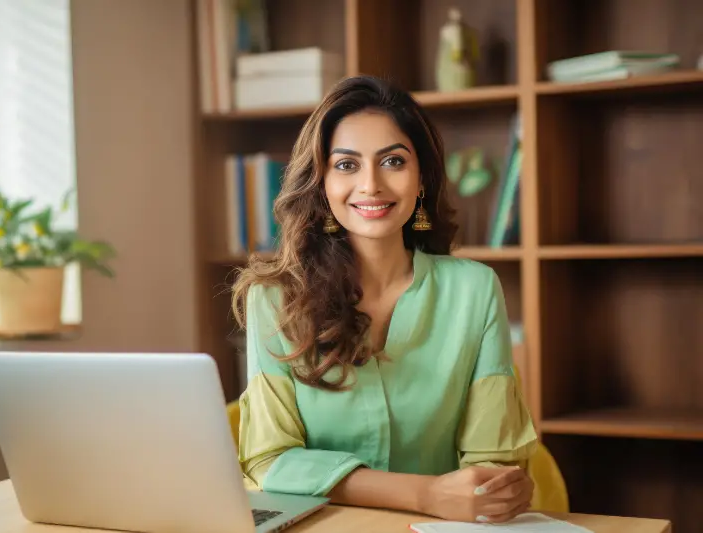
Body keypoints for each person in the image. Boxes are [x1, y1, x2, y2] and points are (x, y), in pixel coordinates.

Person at [230, 75, 537, 524]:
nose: (371, 185)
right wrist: (426, 493)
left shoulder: (474, 290)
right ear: (320, 182)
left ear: (422, 178)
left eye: (393, 161)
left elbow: (490, 464)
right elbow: (270, 461)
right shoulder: (275, 298)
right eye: (346, 165)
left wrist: (498, 489)